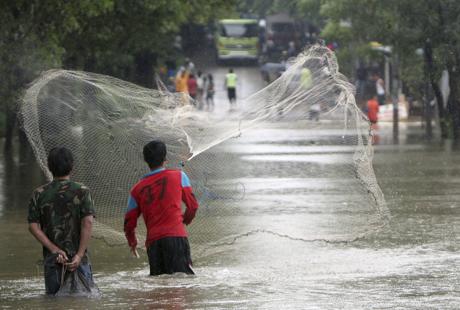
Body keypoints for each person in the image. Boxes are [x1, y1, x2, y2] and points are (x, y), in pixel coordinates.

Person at [27, 147, 96, 295]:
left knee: (54, 300)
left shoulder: (38, 194)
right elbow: (88, 223)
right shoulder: (83, 191)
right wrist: (79, 254)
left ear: (49, 166)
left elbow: (33, 227)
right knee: (85, 300)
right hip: (80, 260)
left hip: (54, 261)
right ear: (72, 166)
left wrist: (54, 250)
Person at [124, 140, 199, 276]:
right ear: (165, 158)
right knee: (182, 284)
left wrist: (133, 242)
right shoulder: (179, 176)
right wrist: (184, 221)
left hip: (154, 244)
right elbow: (193, 206)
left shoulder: (137, 189)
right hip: (177, 239)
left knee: (159, 287)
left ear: (146, 160)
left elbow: (129, 222)